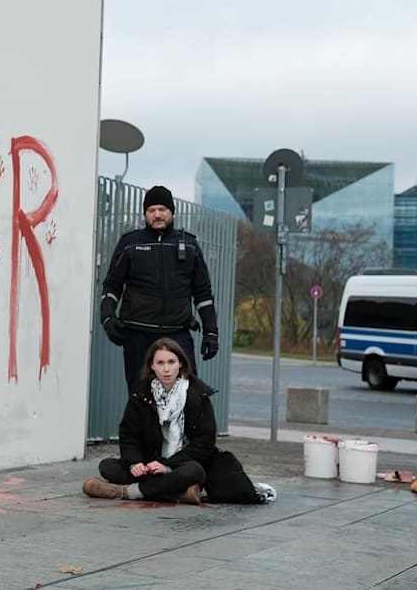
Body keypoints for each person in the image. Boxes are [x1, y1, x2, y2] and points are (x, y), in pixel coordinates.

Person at [81, 337, 275, 505]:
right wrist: (135, 463)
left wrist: (168, 466)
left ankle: (128, 492)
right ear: (152, 366)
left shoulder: (197, 395)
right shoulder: (140, 395)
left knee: (194, 472)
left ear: (180, 363)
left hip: (183, 464)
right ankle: (180, 494)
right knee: (107, 466)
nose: (166, 369)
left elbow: (204, 443)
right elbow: (129, 434)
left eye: (171, 362)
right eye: (160, 363)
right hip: (150, 465)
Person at [99, 185, 219, 394]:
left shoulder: (189, 246)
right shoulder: (130, 244)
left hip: (177, 332)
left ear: (172, 212)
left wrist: (211, 332)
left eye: (162, 209)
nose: (157, 215)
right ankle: (142, 429)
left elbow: (203, 294)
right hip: (138, 333)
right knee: (141, 398)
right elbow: (112, 286)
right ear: (145, 214)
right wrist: (108, 318)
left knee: (187, 395)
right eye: (151, 210)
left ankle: (180, 429)